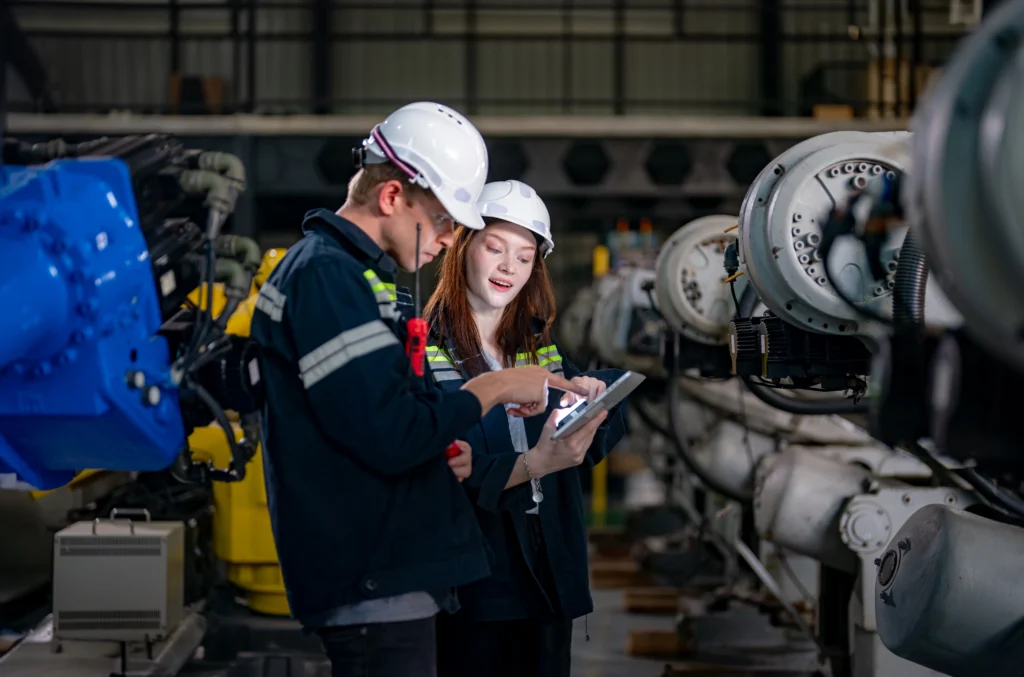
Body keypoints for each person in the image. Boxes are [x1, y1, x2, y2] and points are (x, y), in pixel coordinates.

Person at [249, 103, 587, 677]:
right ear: (391, 199)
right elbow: (393, 434)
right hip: (371, 576)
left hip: (393, 576)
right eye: (444, 220)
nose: (450, 238)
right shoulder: (327, 277)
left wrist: (441, 448)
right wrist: (496, 386)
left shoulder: (356, 278)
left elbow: (382, 418)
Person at [423, 180, 629, 677]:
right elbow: (436, 468)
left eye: (525, 255)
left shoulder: (540, 347)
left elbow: (597, 433)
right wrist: (534, 463)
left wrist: (589, 395)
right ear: (462, 248)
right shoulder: (427, 350)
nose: (508, 267)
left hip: (546, 570)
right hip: (474, 579)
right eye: (495, 248)